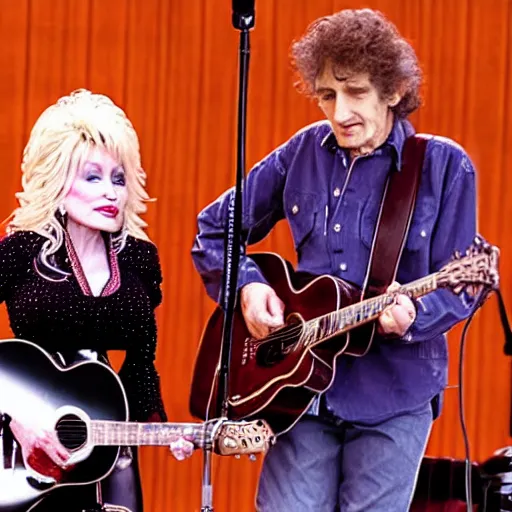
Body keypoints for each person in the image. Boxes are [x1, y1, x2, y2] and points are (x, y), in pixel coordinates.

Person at [191, 8, 482, 512]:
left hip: (394, 394)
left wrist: (416, 316)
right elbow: (215, 228)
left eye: (355, 93)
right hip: (301, 393)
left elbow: (463, 284)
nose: (338, 111)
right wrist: (247, 285)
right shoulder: (303, 151)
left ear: (392, 91)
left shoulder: (444, 166)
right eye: (327, 95)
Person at [0, 89, 192, 512]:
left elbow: (141, 364)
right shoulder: (19, 252)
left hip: (106, 442)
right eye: (92, 177)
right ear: (57, 181)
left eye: (118, 178)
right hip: (18, 448)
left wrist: (164, 430)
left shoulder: (140, 259)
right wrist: (13, 419)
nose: (111, 192)